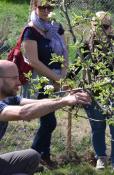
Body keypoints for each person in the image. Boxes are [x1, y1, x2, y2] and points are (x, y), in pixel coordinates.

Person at [0, 60, 91, 174]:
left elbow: (34, 103)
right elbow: (24, 113)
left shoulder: (7, 99)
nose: (19, 82)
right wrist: (64, 101)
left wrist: (67, 98)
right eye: (14, 78)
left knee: (32, 156)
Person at [22, 0, 68, 167]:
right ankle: (31, 158)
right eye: (43, 7)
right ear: (36, 7)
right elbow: (33, 61)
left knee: (48, 120)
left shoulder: (58, 26)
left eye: (50, 7)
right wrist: (57, 79)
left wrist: (63, 74)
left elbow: (64, 52)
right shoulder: (31, 30)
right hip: (40, 81)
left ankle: (42, 156)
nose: (47, 10)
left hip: (57, 78)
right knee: (49, 121)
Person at [82, 11, 114, 170]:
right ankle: (101, 157)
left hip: (112, 92)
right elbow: (77, 65)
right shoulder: (87, 43)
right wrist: (65, 81)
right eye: (98, 27)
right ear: (92, 26)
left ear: (111, 28)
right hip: (93, 93)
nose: (102, 30)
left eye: (105, 27)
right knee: (98, 128)